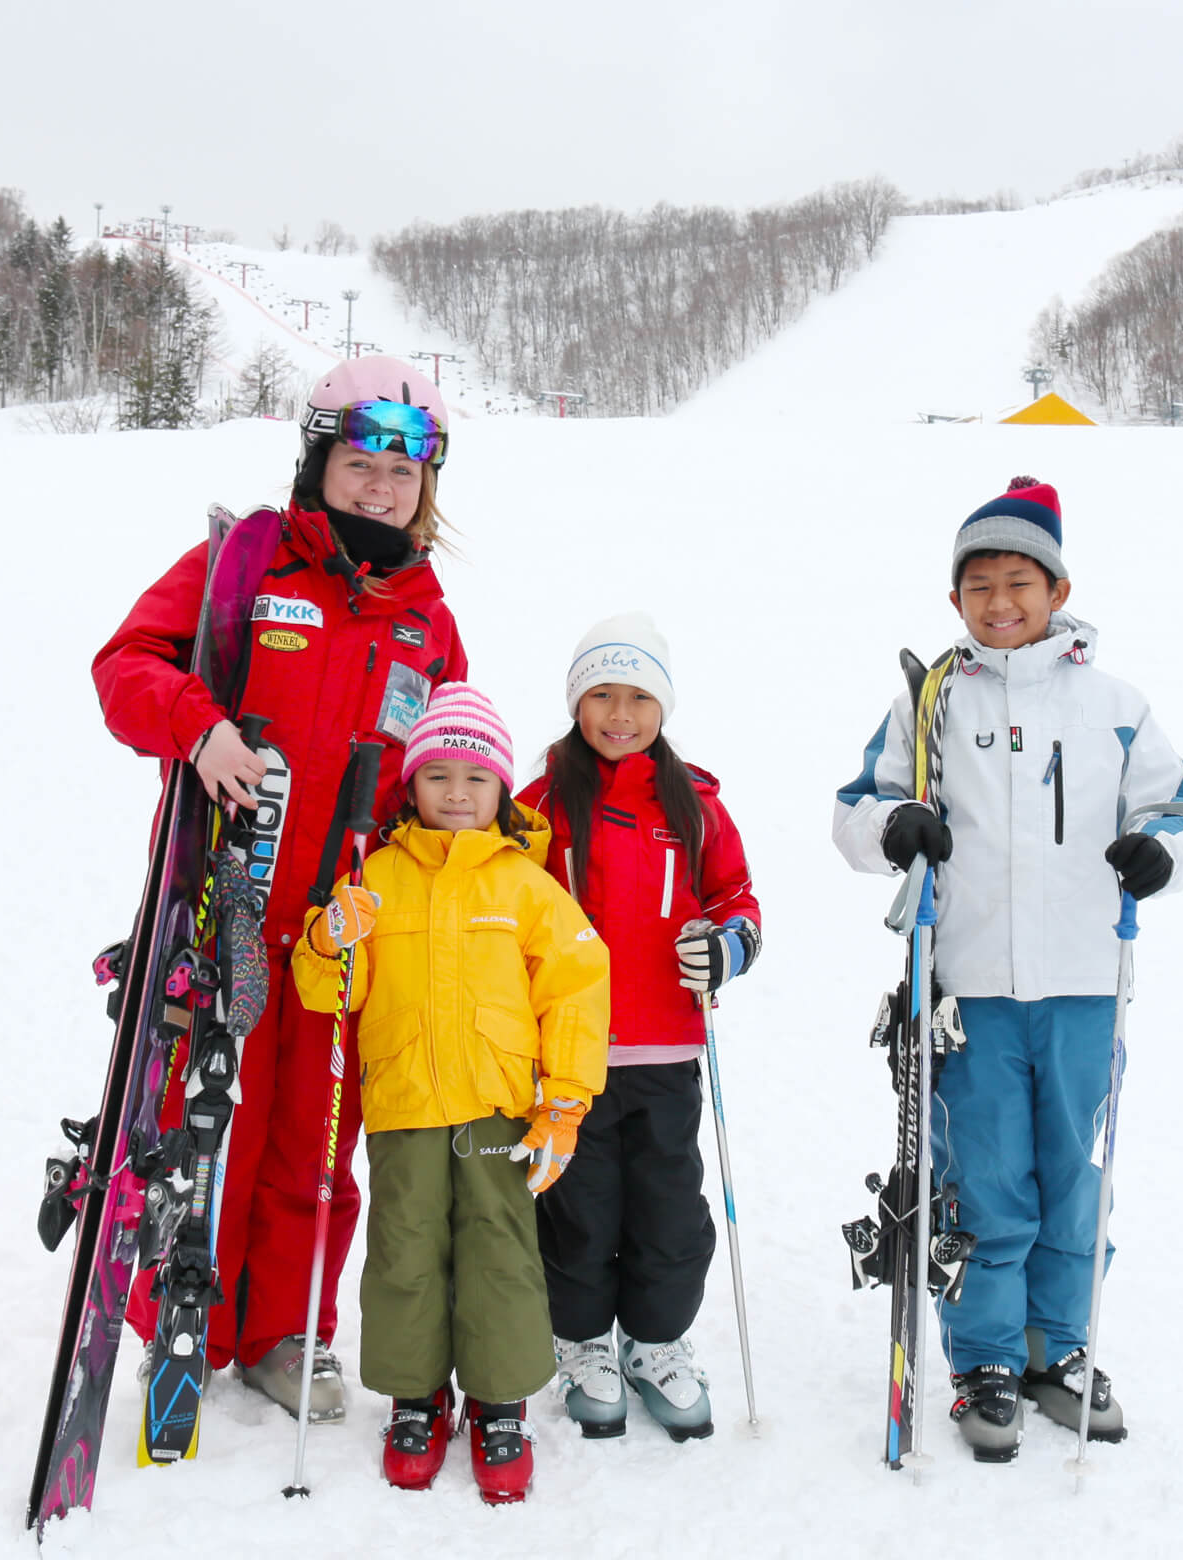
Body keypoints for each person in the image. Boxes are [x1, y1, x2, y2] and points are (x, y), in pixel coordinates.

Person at [91, 357, 467, 1422]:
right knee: (214, 1118)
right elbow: (126, 664)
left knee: (318, 1135)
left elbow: (448, 762)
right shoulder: (248, 566)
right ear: (320, 464)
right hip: (226, 902)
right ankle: (188, 1316)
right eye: (359, 463)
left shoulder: (426, 620)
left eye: (402, 472)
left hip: (345, 926)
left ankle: (287, 1330)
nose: (380, 488)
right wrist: (198, 726)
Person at [832, 476, 1183, 1462]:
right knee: (987, 1178)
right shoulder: (930, 702)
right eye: (980, 585)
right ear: (955, 600)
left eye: (1020, 583)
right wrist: (893, 826)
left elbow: (1178, 810)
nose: (1001, 603)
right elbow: (856, 812)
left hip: (1087, 984)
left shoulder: (1114, 706)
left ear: (1058, 589)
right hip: (970, 990)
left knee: (1075, 1176)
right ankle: (987, 1357)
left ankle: (1064, 1348)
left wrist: (1159, 852)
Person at [292, 683, 609, 1503]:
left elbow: (576, 985)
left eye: (476, 778)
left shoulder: (524, 885)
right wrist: (329, 939)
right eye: (438, 777)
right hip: (402, 1105)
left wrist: (564, 1098)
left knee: (500, 1252)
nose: (458, 794)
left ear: (502, 788)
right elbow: (324, 992)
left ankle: (500, 1402)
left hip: (498, 1106)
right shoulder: (376, 876)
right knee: (405, 1252)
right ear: (411, 786)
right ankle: (417, 1396)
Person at [515, 613, 762, 1442]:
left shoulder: (692, 804)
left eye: (639, 697)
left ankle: (657, 1345)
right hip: (570, 1054)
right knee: (580, 1207)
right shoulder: (541, 804)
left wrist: (728, 946)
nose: (620, 715)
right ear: (577, 703)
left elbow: (734, 897)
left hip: (665, 1048)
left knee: (665, 1207)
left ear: (663, 706)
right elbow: (505, 903)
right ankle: (583, 1344)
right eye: (602, 696)